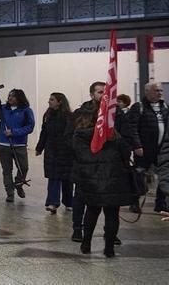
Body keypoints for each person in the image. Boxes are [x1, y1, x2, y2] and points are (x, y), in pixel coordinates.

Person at [71, 110, 133, 257]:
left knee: (92, 212)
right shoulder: (113, 135)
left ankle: (86, 244)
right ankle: (109, 248)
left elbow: (79, 155)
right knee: (112, 215)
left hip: (92, 181)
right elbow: (126, 153)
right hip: (113, 180)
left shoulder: (80, 135)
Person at [126, 82, 168, 213]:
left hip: (162, 150)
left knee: (164, 176)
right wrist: (137, 145)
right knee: (138, 176)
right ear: (147, 92)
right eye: (156, 90)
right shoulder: (138, 107)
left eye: (161, 90)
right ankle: (134, 202)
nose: (160, 93)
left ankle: (160, 204)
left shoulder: (165, 107)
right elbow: (132, 128)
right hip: (144, 150)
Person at [0, 89, 35, 202]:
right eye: (9, 96)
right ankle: (10, 193)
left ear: (20, 98)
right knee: (7, 170)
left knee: (23, 167)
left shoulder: (26, 110)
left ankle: (19, 183)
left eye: (13, 96)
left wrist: (14, 132)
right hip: (4, 145)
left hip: (19, 144)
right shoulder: (3, 109)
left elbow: (30, 127)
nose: (10, 98)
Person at [35, 93, 75, 213]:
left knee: (67, 179)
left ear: (60, 102)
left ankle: (69, 202)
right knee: (53, 177)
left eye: (52, 99)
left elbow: (72, 134)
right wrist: (39, 147)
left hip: (66, 151)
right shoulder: (48, 115)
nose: (49, 101)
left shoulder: (69, 116)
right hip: (51, 150)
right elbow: (44, 132)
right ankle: (52, 202)